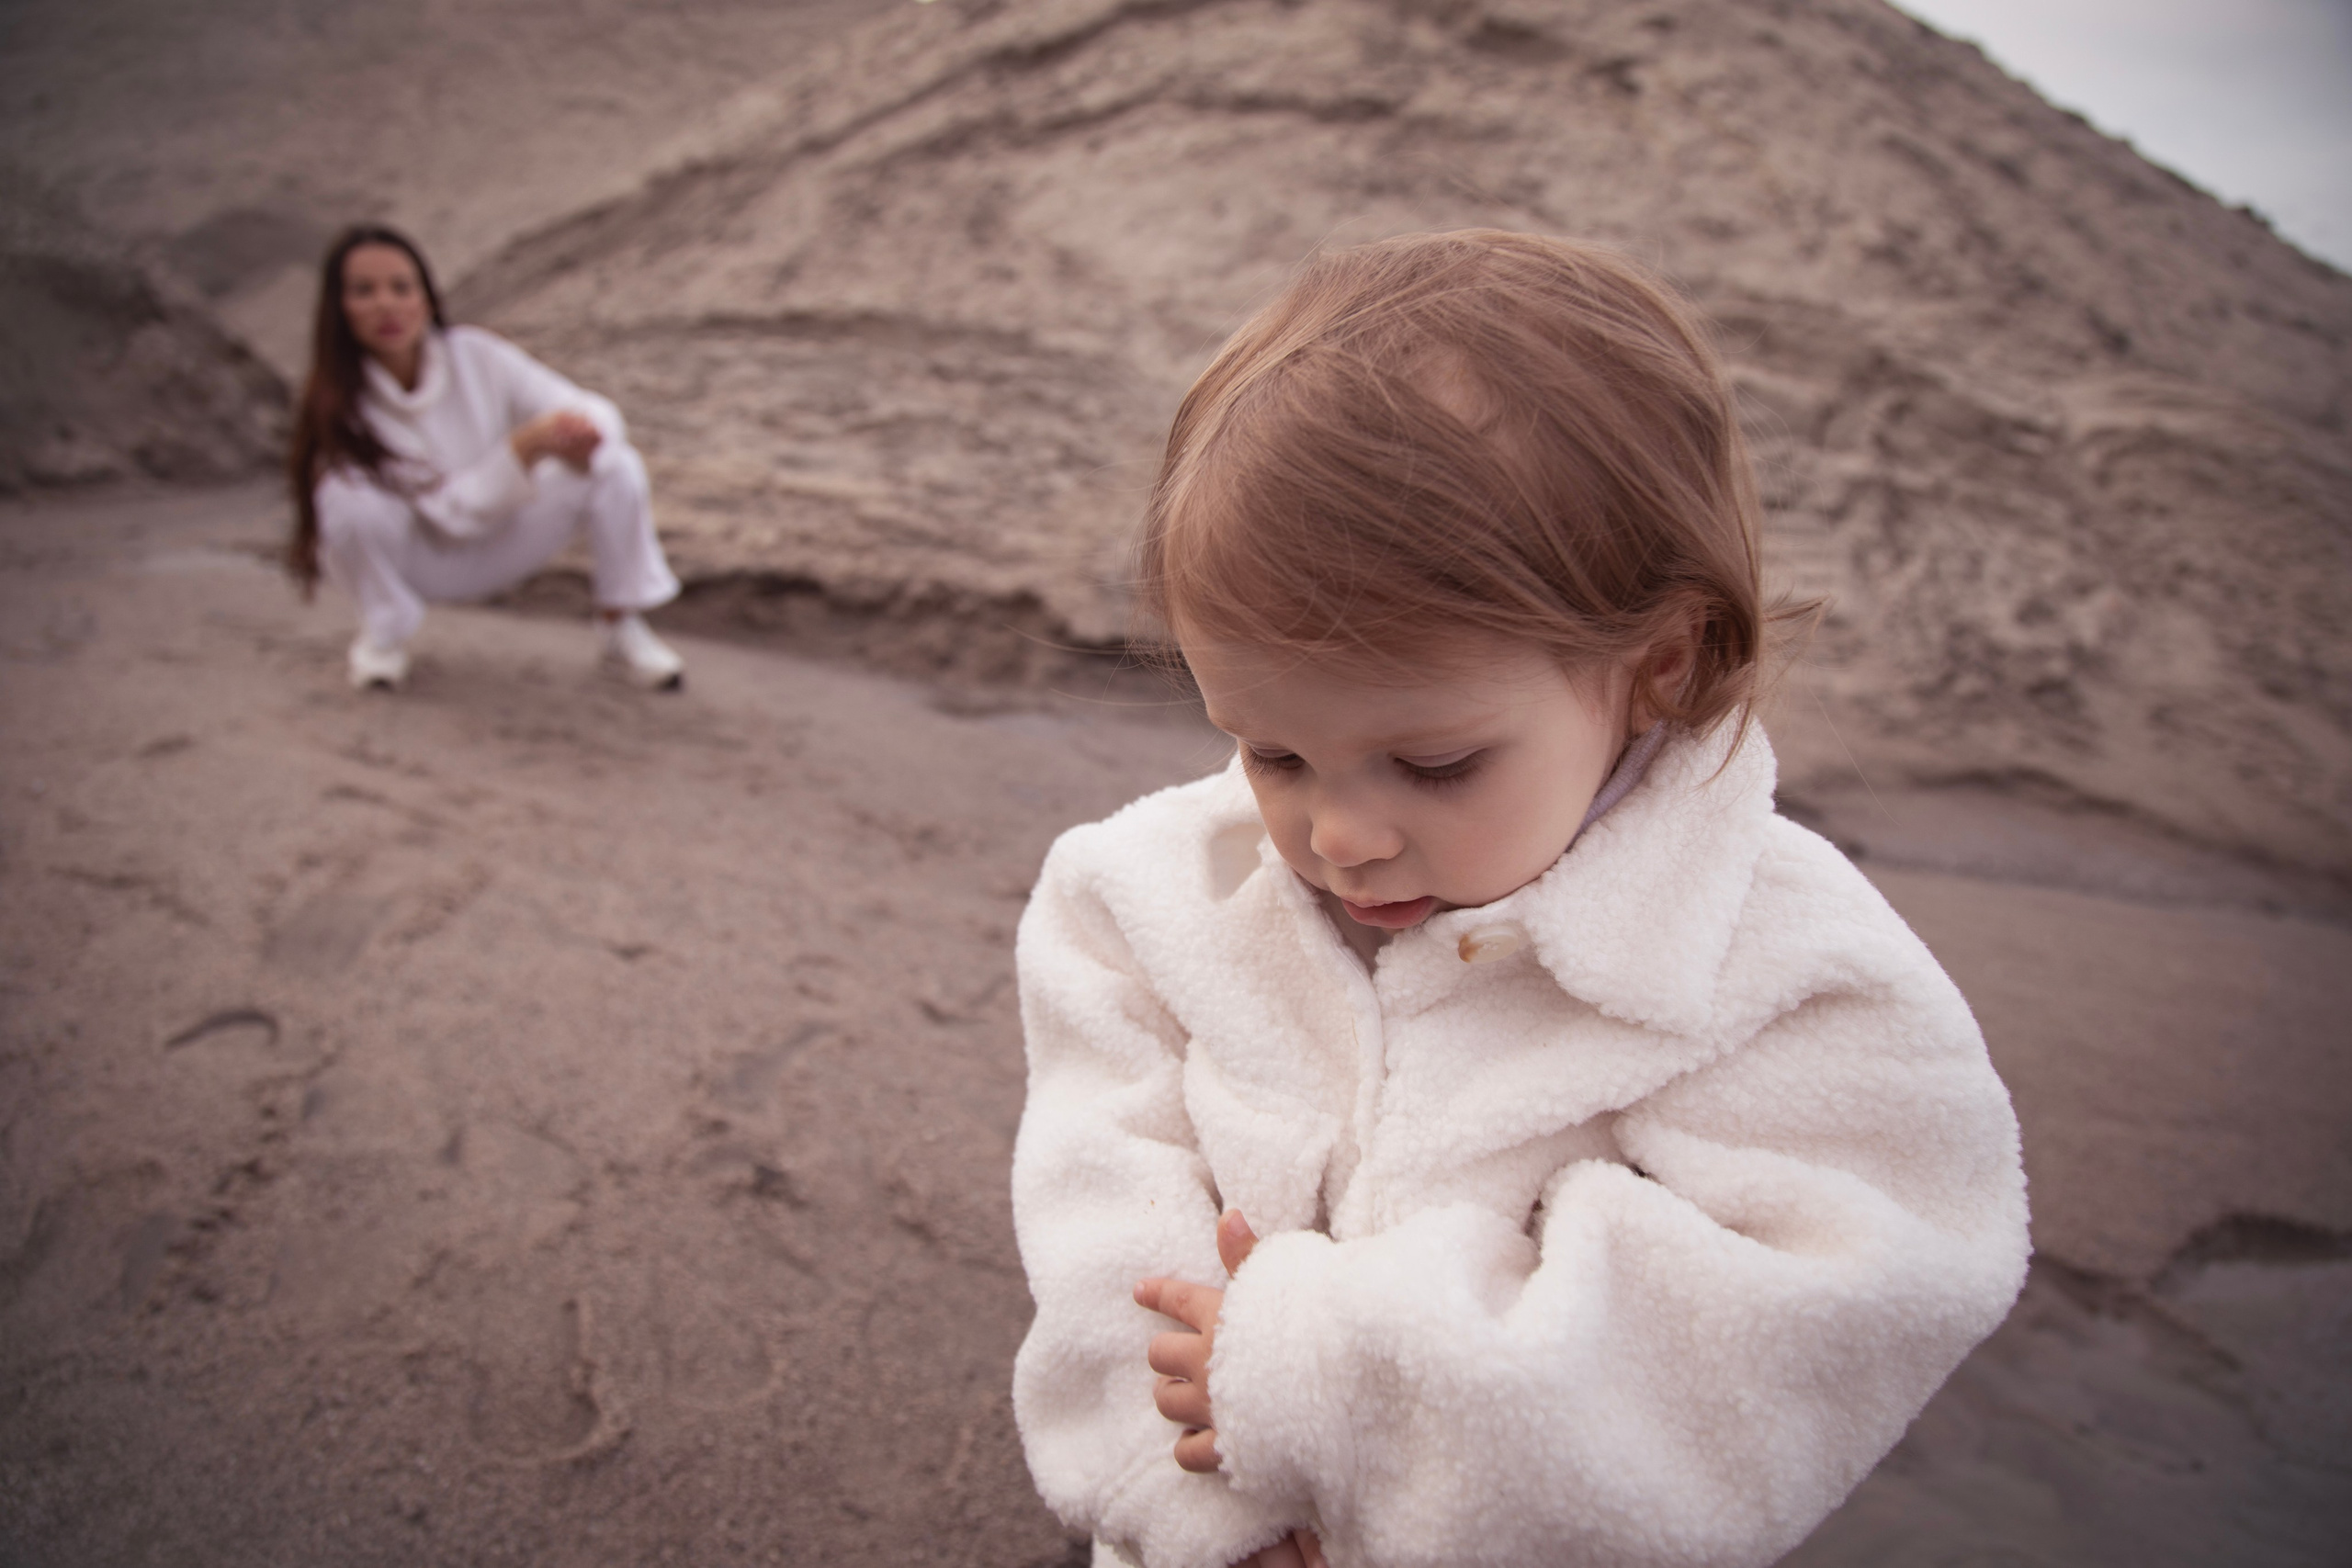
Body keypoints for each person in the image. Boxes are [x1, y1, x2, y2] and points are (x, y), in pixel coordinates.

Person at [1009, 231, 2030, 1568]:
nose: (1340, 831)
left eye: (1435, 763)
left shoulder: (1780, 964)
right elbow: (1104, 1214)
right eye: (1274, 751)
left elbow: (1812, 1315)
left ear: (1656, 665)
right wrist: (1196, 1500)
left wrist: (1338, 1379)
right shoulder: (1143, 901)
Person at [285, 224, 687, 691]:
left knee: (615, 464)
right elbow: (451, 515)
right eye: (364, 291)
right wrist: (525, 447)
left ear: (427, 299)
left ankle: (621, 625)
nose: (385, 305)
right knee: (346, 497)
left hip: (505, 540)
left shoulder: (476, 355)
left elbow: (583, 405)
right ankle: (383, 633)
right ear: (338, 308)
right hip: (423, 560)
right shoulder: (342, 404)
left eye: (401, 287)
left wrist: (581, 432)